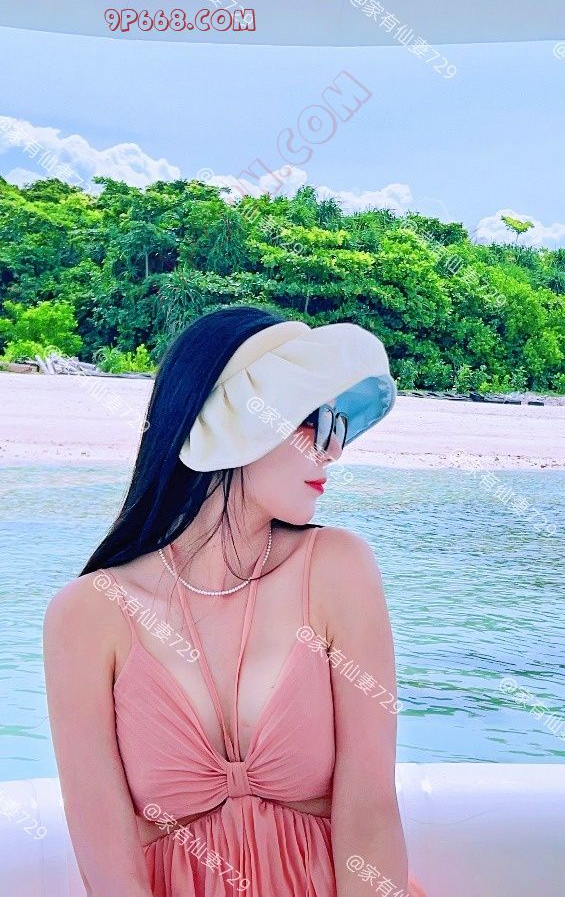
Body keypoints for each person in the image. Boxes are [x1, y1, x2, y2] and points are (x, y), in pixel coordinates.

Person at [43, 305, 429, 896]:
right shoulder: (88, 615)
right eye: (318, 422)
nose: (334, 451)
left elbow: (371, 809)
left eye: (341, 427)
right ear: (236, 422)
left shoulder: (338, 569)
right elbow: (106, 859)